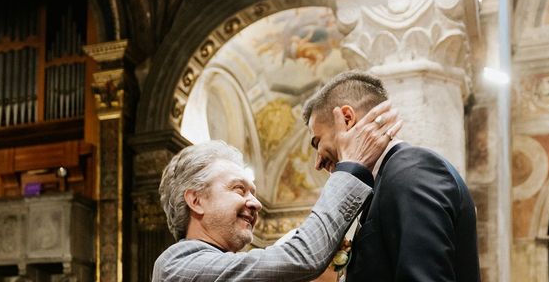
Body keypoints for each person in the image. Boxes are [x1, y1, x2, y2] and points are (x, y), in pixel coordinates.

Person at [152, 101, 402, 282]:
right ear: (196, 201)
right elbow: (302, 256)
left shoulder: (225, 266)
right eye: (239, 189)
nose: (256, 203)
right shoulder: (176, 265)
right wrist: (352, 167)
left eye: (253, 192)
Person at [303, 70, 481, 282]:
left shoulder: (411, 170)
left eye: (317, 142)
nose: (317, 163)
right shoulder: (388, 179)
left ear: (347, 119)